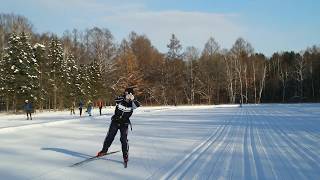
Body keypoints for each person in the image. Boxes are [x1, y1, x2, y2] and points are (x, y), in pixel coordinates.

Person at [97, 87, 140, 167]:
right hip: (115, 121)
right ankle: (104, 150)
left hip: (124, 123)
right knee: (110, 137)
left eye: (129, 94)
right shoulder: (120, 100)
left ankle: (125, 156)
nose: (127, 95)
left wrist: (132, 99)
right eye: (126, 93)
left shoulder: (133, 103)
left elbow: (137, 105)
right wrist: (124, 97)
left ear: (132, 94)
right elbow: (116, 99)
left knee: (123, 139)